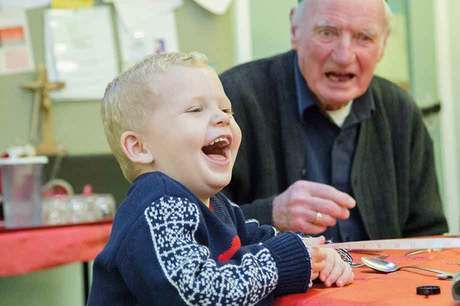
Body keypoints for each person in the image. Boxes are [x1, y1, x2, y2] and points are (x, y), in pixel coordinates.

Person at [87, 52, 354, 305]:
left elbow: (269, 241)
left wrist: (322, 255)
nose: (222, 119)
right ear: (139, 147)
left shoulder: (218, 206)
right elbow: (198, 292)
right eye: (195, 110)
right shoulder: (157, 203)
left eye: (227, 111)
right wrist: (289, 259)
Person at [220, 0, 448, 242]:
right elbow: (193, 228)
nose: (343, 56)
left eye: (364, 37)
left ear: (383, 44)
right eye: (327, 33)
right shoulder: (232, 101)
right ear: (295, 30)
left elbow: (428, 236)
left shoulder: (401, 111)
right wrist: (271, 214)